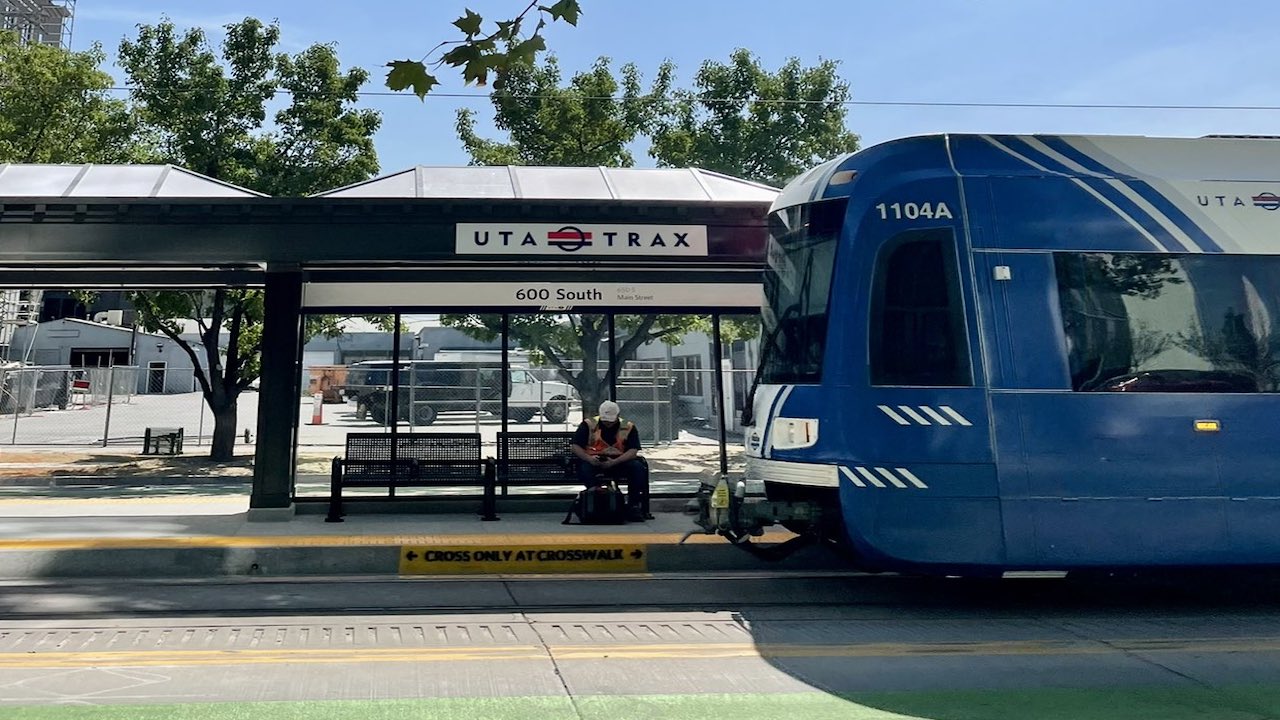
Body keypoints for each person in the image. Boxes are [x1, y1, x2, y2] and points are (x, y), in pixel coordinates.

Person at [571, 400, 650, 520]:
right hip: (593, 462)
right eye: (605, 421)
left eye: (610, 422)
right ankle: (597, 500)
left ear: (617, 416)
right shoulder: (588, 425)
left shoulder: (628, 427)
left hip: (619, 462)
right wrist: (589, 459)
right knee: (584, 468)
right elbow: (575, 446)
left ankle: (633, 505)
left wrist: (614, 462)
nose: (607, 424)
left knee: (637, 468)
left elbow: (633, 451)